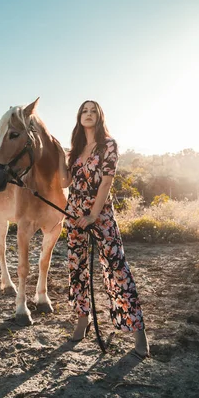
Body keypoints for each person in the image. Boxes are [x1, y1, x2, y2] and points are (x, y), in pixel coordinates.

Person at [58, 100, 149, 359]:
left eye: (93, 111)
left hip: (100, 214)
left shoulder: (108, 144)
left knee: (116, 267)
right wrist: (59, 158)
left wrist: (94, 215)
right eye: (84, 111)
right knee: (77, 268)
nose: (88, 114)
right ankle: (82, 318)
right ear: (79, 117)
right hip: (74, 214)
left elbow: (107, 181)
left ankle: (137, 329)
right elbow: (65, 181)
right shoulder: (74, 149)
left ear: (99, 117)